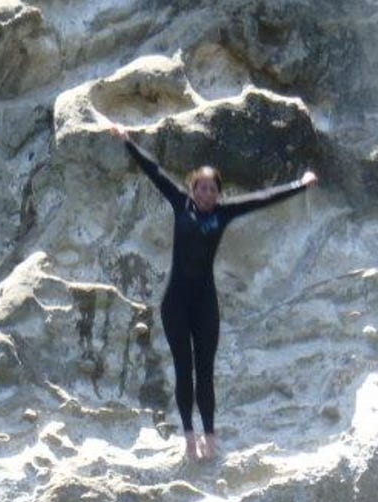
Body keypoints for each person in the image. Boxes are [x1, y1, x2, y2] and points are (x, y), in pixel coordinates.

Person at [111, 123, 317, 461]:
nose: (207, 194)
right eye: (201, 189)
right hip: (175, 303)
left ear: (218, 193)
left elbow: (264, 198)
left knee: (205, 370)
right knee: (183, 369)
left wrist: (301, 185)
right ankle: (189, 436)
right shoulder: (180, 204)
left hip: (205, 304)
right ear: (193, 190)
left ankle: (210, 434)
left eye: (212, 190)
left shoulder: (224, 213)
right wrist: (127, 141)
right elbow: (154, 171)